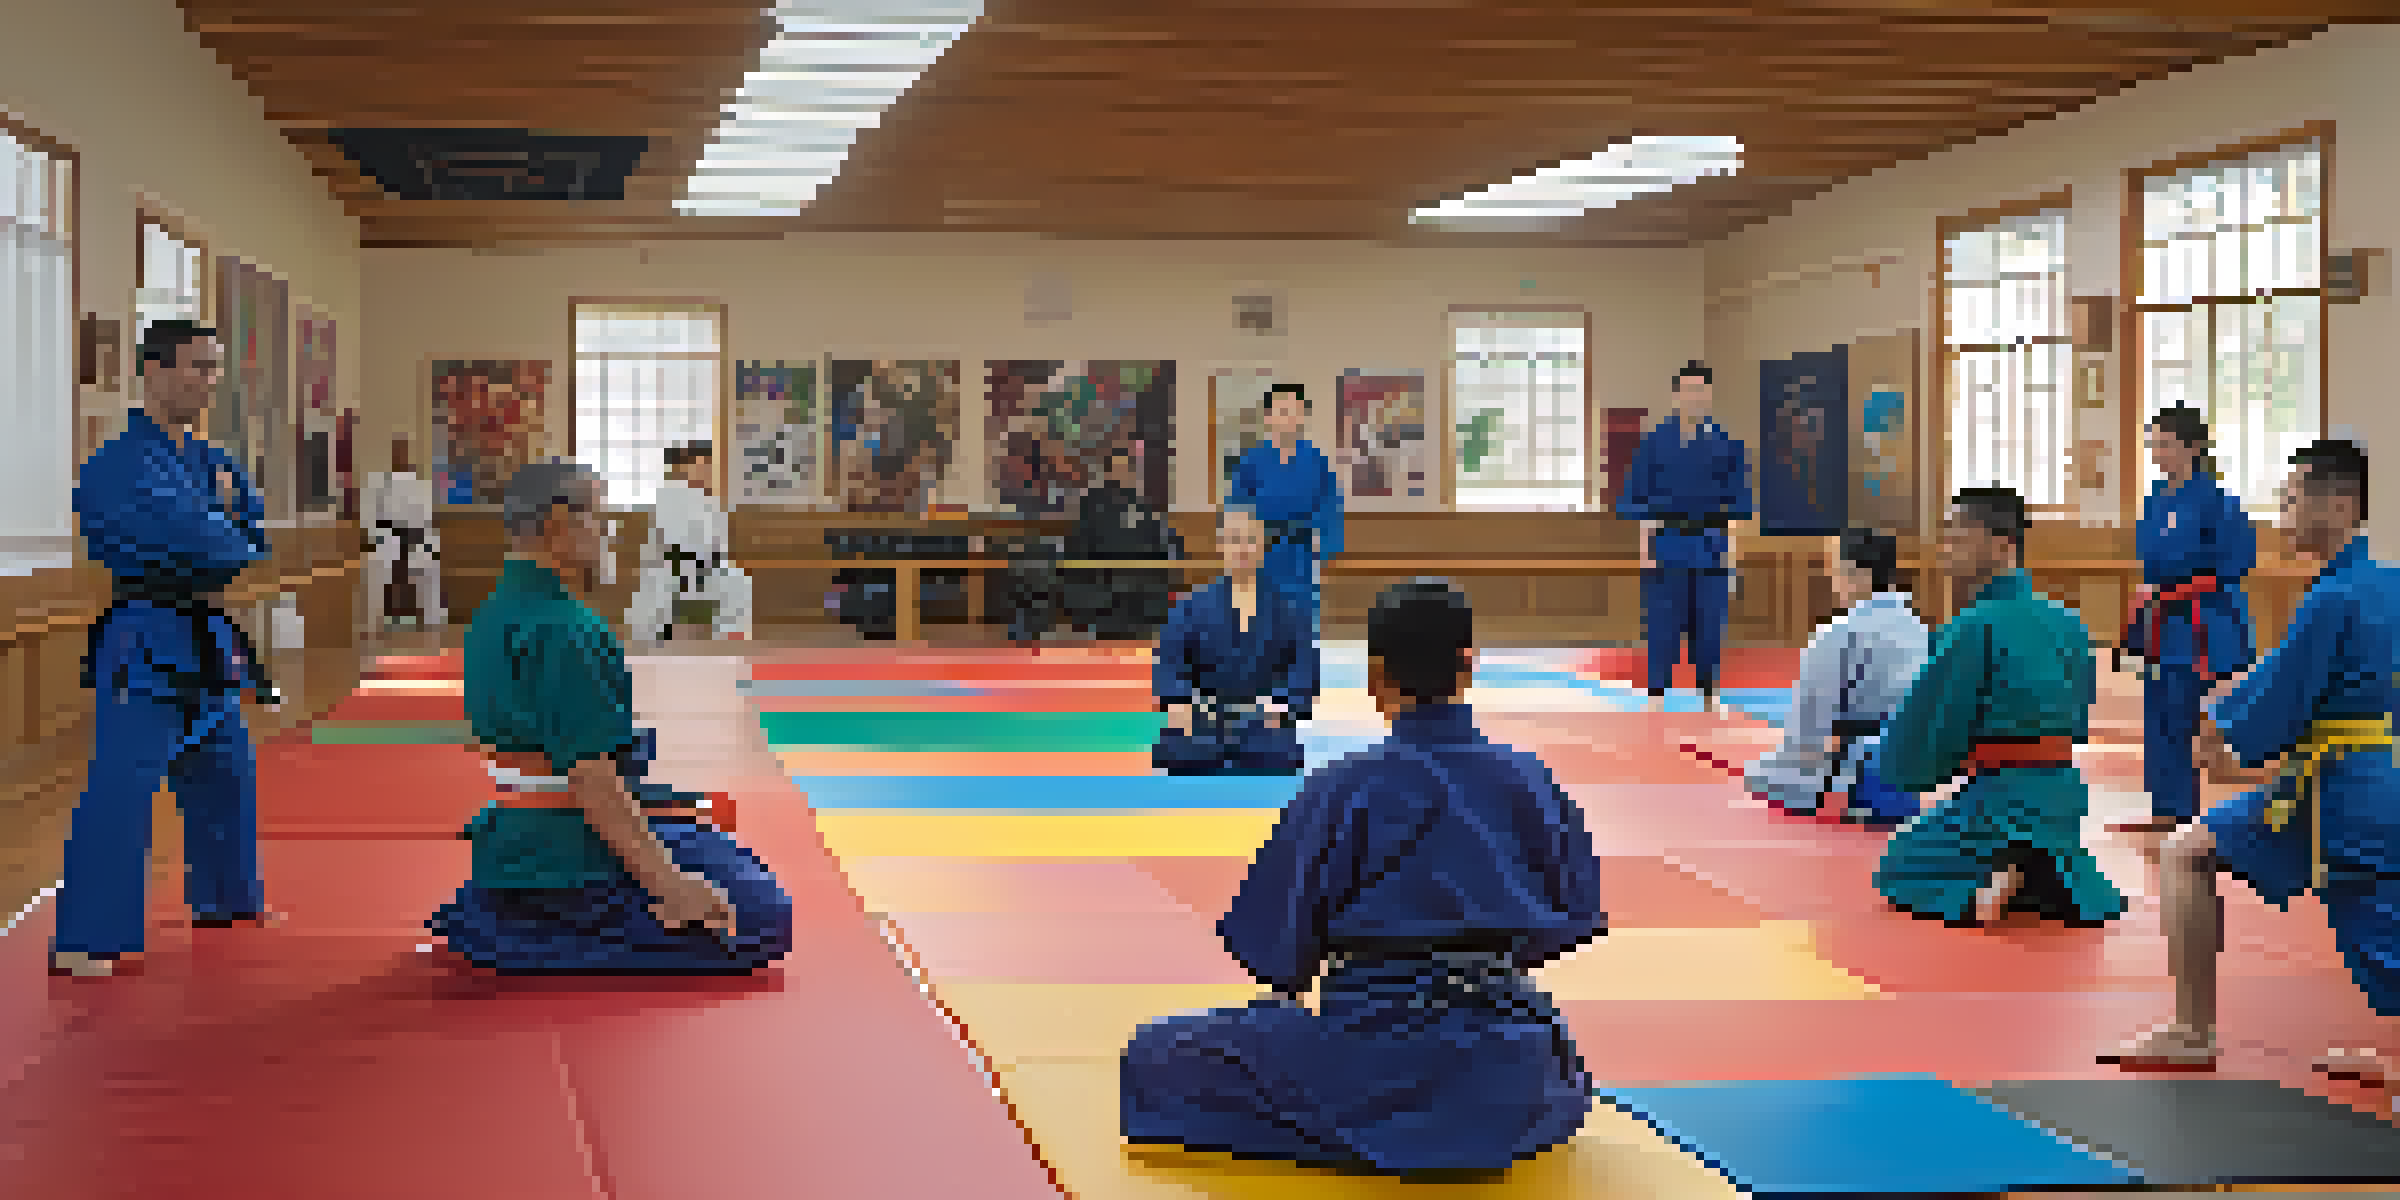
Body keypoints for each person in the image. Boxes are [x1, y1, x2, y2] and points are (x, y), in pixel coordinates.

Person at [1122, 581, 1604, 1174]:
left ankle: (1383, 1123)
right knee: (1551, 1060)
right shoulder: (1531, 778)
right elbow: (1572, 919)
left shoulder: (1345, 786)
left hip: (1368, 1052)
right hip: (1507, 1067)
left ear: (1376, 676)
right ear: (1469, 665)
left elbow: (1276, 954)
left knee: (1156, 1056)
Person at [2103, 439, 2400, 1078]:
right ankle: (2191, 1033)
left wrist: (2223, 731)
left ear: (2340, 504)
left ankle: (2192, 1031)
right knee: (2194, 850)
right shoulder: (2387, 585)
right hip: (2373, 779)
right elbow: (2299, 679)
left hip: (2346, 793)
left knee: (2378, 929)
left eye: (2292, 500)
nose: (2282, 514)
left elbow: (2282, 696)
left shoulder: (2333, 596)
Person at [431, 460, 793, 973]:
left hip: (520, 840)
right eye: (601, 519)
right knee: (762, 918)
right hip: (567, 851)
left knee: (724, 851)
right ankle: (509, 929)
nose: (608, 534)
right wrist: (668, 884)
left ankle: (512, 909)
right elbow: (592, 779)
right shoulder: (564, 629)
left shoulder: (494, 614)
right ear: (561, 522)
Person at [52, 321, 283, 977]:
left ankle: (225, 898)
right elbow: (207, 542)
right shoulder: (118, 464)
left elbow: (253, 538)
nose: (207, 381)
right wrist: (224, 527)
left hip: (204, 636)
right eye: (195, 367)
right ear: (152, 370)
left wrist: (225, 529)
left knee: (227, 769)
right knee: (123, 786)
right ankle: (86, 938)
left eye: (213, 368)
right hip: (146, 638)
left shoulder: (211, 460)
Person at [1872, 487, 2126, 928]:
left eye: (1959, 534)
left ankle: (2000, 871)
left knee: (1899, 864)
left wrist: (1905, 768)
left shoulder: (1974, 625)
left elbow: (1934, 719)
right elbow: (2076, 718)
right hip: (2064, 798)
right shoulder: (2070, 624)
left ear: (2002, 543)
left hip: (2000, 798)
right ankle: (2040, 871)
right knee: (2058, 854)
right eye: (1946, 534)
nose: (1947, 547)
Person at [2116, 408, 2257, 839]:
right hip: (2162, 625)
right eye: (2153, 444)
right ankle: (2169, 811)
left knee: (2208, 720)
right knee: (2160, 715)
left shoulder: (2218, 502)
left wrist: (2183, 590)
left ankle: (2228, 816)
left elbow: (2236, 564)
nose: (2157, 452)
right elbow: (2149, 561)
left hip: (2204, 625)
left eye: (2165, 443)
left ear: (2192, 447)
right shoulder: (2155, 500)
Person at [1745, 528, 1929, 826]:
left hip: (1858, 765)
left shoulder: (1838, 633)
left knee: (1757, 776)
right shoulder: (1919, 628)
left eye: (1838, 571)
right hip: (1913, 761)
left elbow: (1811, 719)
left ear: (1858, 575)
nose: (1834, 580)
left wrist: (1798, 775)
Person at [1616, 361, 1753, 713]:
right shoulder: (1654, 443)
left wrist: (1731, 552)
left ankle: (1708, 693)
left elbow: (1740, 503)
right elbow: (1635, 500)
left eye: (1701, 391)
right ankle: (1656, 693)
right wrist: (1646, 546)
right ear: (1676, 396)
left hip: (1710, 544)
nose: (1695, 397)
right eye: (1689, 390)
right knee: (1661, 623)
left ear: (1710, 395)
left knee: (1709, 624)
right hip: (1667, 544)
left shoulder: (1727, 443)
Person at [1153, 505, 1315, 775]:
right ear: (1222, 545)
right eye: (1234, 539)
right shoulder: (1191, 605)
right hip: (1203, 717)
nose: (1242, 549)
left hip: (1263, 719)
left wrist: (1284, 703)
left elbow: (1305, 664)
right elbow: (1170, 660)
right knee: (1177, 754)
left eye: (1250, 540)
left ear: (1263, 546)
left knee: (1279, 758)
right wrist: (1178, 701)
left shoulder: (1289, 609)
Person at [1227, 383, 1344, 636]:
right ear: (1268, 416)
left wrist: (1324, 547)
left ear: (1302, 416)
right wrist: (1240, 549)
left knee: (1300, 624)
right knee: (1259, 624)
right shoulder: (1251, 460)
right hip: (1260, 554)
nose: (1288, 418)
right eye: (1282, 411)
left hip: (1301, 555)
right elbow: (1237, 507)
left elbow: (1330, 507)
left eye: (1294, 411)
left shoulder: (1316, 461)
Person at [627, 441, 754, 643]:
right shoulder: (671, 495)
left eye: (708, 465)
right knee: (660, 589)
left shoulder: (713, 501)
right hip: (672, 567)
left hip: (707, 568)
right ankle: (656, 638)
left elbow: (718, 545)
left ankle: (728, 640)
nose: (705, 471)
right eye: (700, 464)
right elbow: (673, 544)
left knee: (737, 581)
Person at [1065, 445, 1180, 640]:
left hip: (1138, 568)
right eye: (1119, 468)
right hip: (1106, 572)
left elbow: (1157, 534)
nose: (1123, 473)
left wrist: (1168, 548)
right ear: (1109, 473)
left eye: (1126, 468)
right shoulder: (1093, 503)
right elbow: (1087, 543)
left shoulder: (1140, 503)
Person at [364, 435, 444, 632]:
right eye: (397, 451)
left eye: (404, 451)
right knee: (378, 567)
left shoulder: (420, 483)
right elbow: (373, 516)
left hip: (417, 536)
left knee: (429, 562)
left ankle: (431, 617)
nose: (401, 455)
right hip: (388, 536)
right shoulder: (381, 483)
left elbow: (427, 516)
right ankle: (382, 618)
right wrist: (381, 536)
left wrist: (418, 538)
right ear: (393, 455)